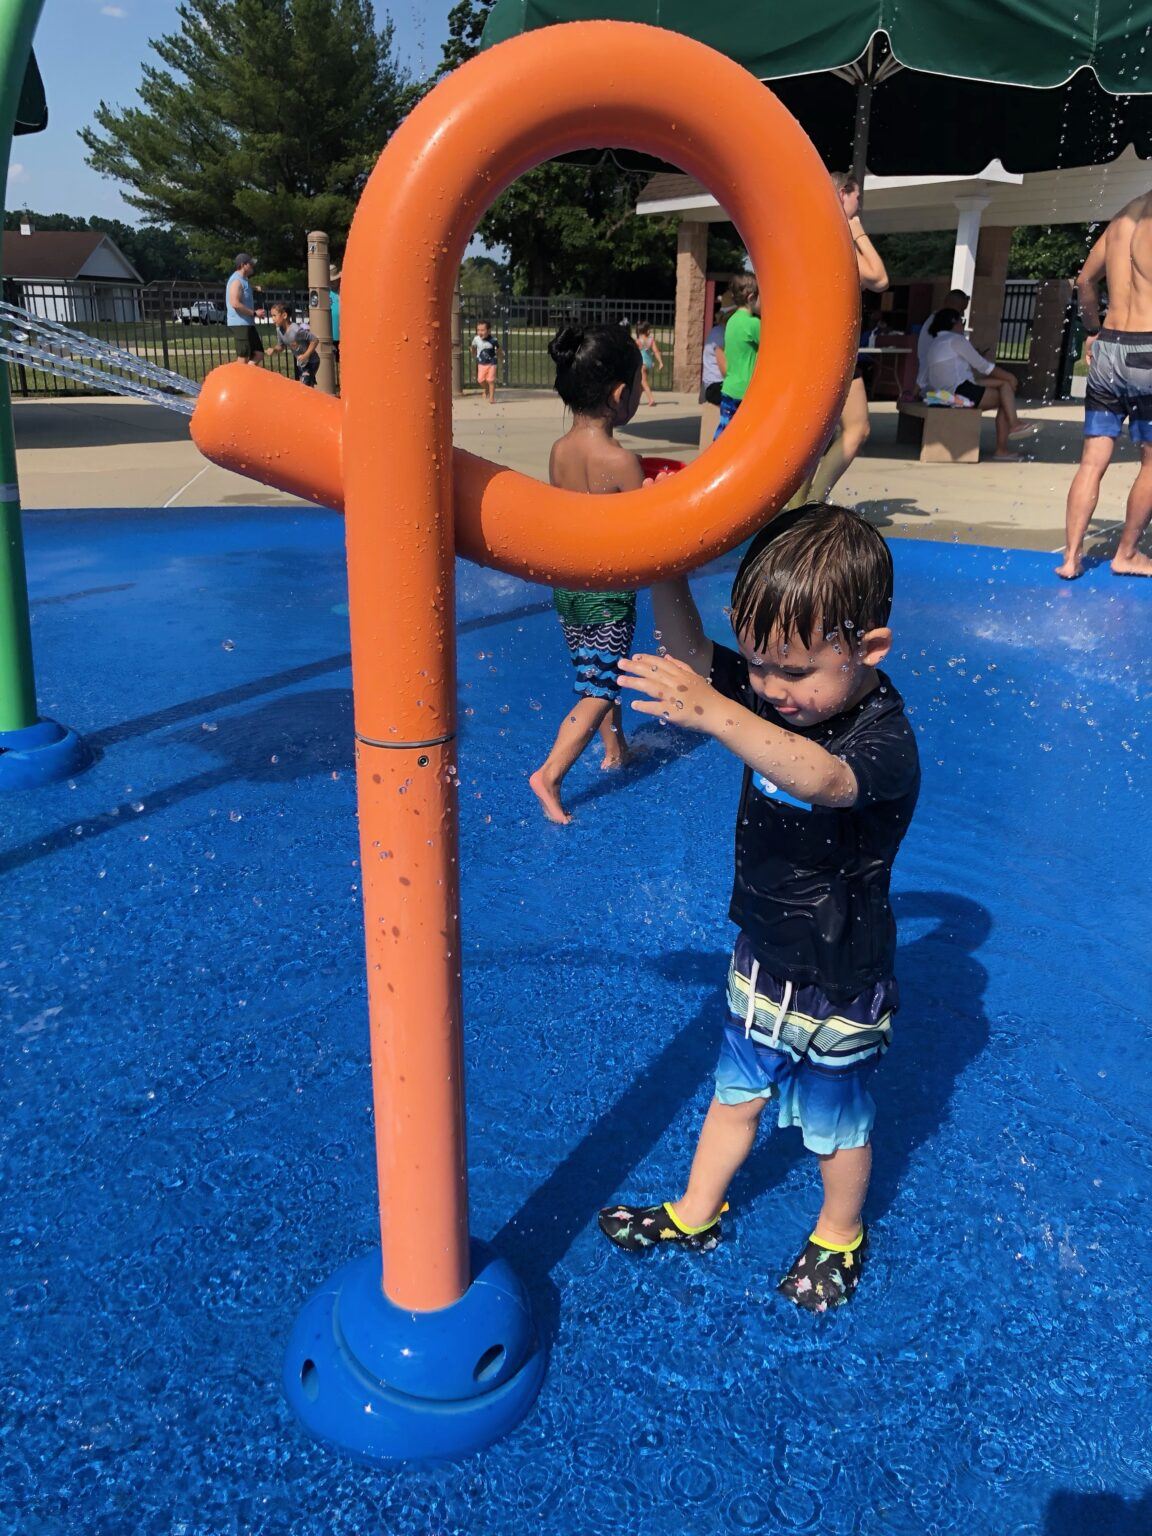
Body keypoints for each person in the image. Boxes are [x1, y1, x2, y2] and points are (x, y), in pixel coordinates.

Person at [597, 503, 920, 1313]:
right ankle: (695, 1213)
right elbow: (691, 655)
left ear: (868, 649)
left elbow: (821, 780)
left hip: (842, 980)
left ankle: (839, 1232)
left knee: (835, 1124)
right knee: (734, 1095)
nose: (772, 691)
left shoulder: (883, 739)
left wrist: (714, 710)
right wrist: (664, 559)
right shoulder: (778, 690)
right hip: (763, 955)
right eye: (758, 665)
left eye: (795, 672)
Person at [529, 324, 644, 825]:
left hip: (569, 589)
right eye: (638, 387)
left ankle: (615, 750)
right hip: (608, 594)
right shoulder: (622, 461)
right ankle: (551, 774)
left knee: (599, 668)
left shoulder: (558, 450)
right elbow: (646, 533)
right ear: (620, 395)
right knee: (599, 685)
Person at [1057, 192, 1152, 579]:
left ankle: (1071, 557)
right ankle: (1126, 553)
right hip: (1148, 349)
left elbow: (1083, 282)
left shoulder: (1122, 217)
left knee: (1091, 462)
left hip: (1109, 347)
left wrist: (1093, 331)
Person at [804, 173, 889, 502]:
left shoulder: (817, 236)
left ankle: (807, 504)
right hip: (828, 352)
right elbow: (880, 278)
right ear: (843, 194)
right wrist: (856, 228)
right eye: (857, 200)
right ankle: (805, 506)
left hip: (831, 351)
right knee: (824, 434)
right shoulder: (831, 240)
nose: (859, 206)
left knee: (838, 431)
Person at [922, 308, 1031, 460]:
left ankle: (1013, 425)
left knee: (1005, 386)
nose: (963, 326)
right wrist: (1011, 377)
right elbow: (984, 367)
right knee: (1006, 396)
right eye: (962, 321)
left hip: (942, 394)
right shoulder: (956, 340)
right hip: (960, 392)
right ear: (954, 323)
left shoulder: (936, 343)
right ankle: (1009, 433)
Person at [713, 275, 759, 439]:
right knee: (747, 437)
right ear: (751, 297)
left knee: (725, 436)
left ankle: (715, 462)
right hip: (746, 392)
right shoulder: (753, 324)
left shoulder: (731, 321)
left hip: (729, 388)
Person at [916, 287, 970, 391]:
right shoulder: (940, 325)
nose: (962, 314)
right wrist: (918, 386)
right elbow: (929, 358)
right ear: (948, 303)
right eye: (960, 309)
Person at [268, 301, 319, 387]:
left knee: (305, 384)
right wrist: (274, 350)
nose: (272, 318)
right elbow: (281, 346)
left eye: (274, 315)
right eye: (271, 316)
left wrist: (306, 355)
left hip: (312, 361)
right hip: (301, 363)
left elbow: (314, 340)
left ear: (284, 315)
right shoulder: (279, 330)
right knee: (307, 386)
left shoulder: (296, 330)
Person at [226, 253, 264, 365]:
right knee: (243, 358)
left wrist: (254, 288)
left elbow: (243, 290)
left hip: (247, 323)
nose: (253, 266)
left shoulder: (244, 279)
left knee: (258, 353)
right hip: (240, 324)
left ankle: (248, 378)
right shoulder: (236, 281)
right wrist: (254, 313)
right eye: (251, 264)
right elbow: (235, 303)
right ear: (243, 265)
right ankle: (236, 381)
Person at [700, 305, 728, 406]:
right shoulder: (720, 333)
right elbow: (724, 369)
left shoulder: (718, 331)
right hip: (715, 386)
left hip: (715, 385)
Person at [471, 320, 500, 404]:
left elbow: (498, 349)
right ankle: (486, 388)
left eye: (482, 330)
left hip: (492, 363)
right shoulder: (476, 339)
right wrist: (473, 351)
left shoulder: (493, 340)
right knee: (480, 380)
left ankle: (491, 398)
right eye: (478, 330)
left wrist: (501, 356)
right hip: (481, 363)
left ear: (489, 330)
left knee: (491, 380)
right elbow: (473, 346)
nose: (480, 332)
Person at [635, 322, 664, 406]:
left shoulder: (638, 341)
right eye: (649, 329)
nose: (650, 330)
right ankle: (637, 400)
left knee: (643, 382)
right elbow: (656, 351)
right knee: (641, 384)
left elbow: (634, 353)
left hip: (642, 363)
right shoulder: (651, 340)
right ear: (646, 330)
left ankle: (651, 399)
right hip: (648, 363)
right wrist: (660, 362)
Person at [328, 264, 341, 362]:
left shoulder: (343, 290)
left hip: (342, 333)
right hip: (329, 333)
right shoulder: (325, 292)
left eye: (333, 280)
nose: (332, 283)